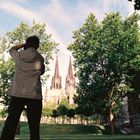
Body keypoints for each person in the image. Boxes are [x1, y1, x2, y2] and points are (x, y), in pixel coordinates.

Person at [0, 36, 45, 140]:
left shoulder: (19, 55)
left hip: (17, 93)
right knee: (34, 126)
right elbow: (42, 72)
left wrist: (24, 45)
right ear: (37, 45)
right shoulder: (40, 58)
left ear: (27, 44)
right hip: (34, 95)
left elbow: (11, 49)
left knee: (11, 122)